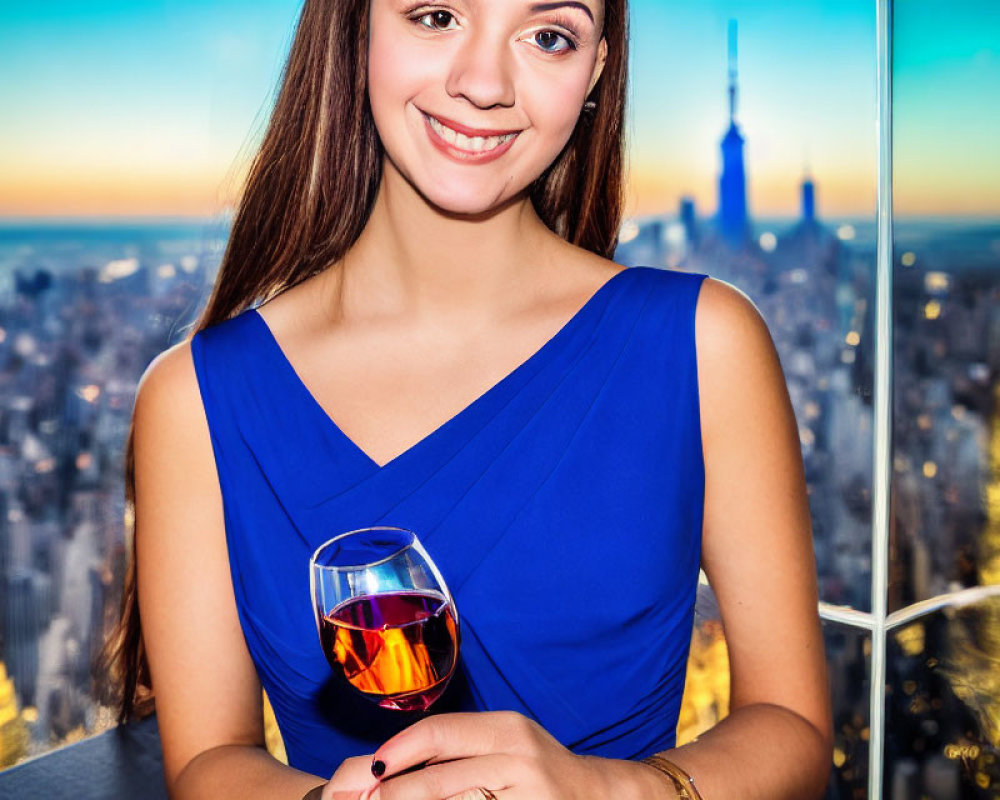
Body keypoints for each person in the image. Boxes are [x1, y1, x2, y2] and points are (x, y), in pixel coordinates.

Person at [99, 0, 833, 797]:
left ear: (595, 71)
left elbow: (791, 724)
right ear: (357, 29)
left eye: (549, 36)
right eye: (437, 15)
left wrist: (611, 791)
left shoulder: (702, 343)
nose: (483, 82)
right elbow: (210, 761)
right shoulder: (195, 399)